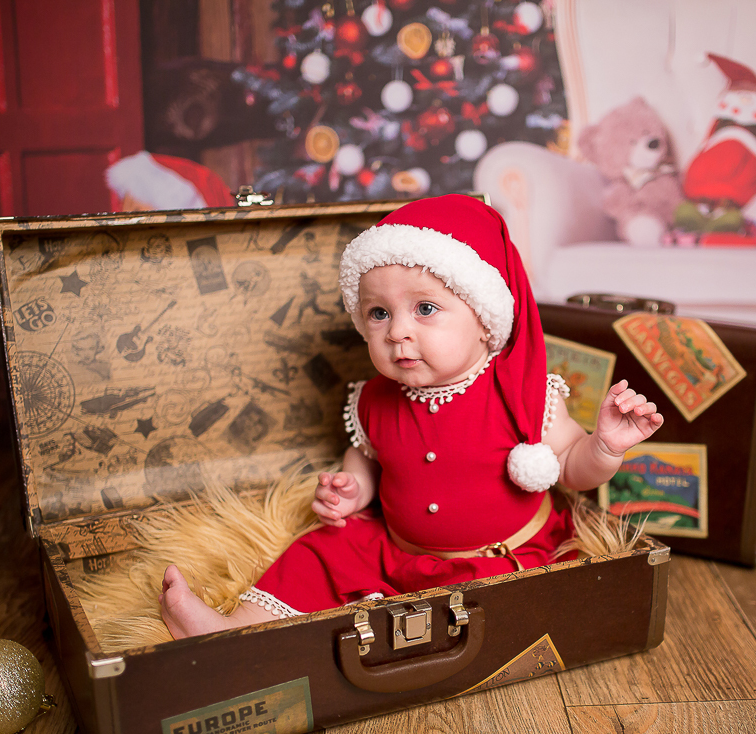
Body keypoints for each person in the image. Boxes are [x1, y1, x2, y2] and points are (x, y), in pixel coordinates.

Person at [159, 194, 663, 638]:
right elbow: (366, 461)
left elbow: (572, 467)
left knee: (495, 606)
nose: (398, 330)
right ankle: (232, 629)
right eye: (379, 313)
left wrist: (603, 447)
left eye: (424, 309)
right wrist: (351, 491)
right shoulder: (375, 399)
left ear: (486, 323)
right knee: (319, 551)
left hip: (494, 559)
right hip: (395, 545)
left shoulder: (521, 394)